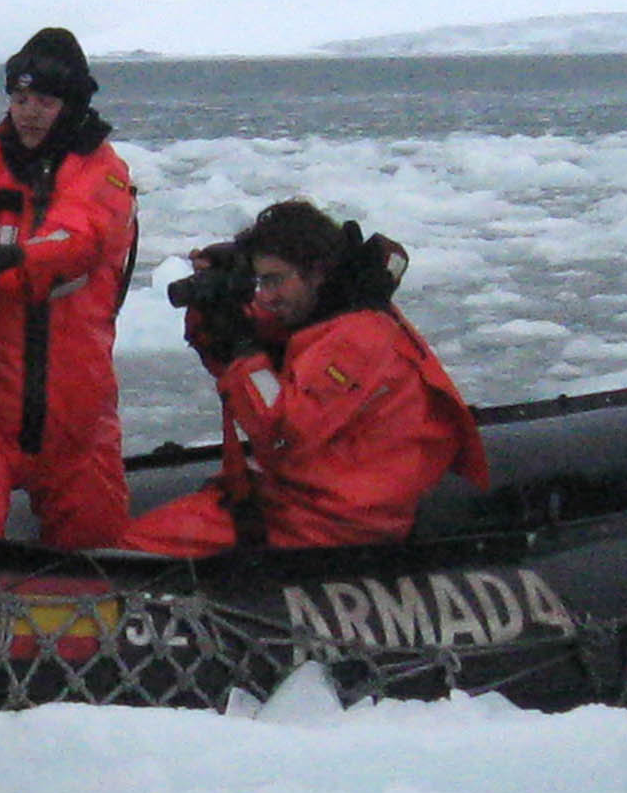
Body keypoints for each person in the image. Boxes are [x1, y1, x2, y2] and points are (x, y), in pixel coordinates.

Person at [127, 198, 489, 553]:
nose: (266, 296)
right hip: (303, 497)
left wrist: (243, 349)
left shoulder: (356, 339)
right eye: (260, 282)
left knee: (128, 547)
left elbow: (282, 433)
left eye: (274, 281)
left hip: (329, 520)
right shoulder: (326, 315)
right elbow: (232, 342)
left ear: (316, 273)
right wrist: (219, 300)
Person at [0, 26, 140, 547]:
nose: (29, 111)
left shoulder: (104, 172)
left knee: (99, 555)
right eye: (20, 98)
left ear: (72, 103)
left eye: (43, 100)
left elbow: (77, 241)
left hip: (76, 416)